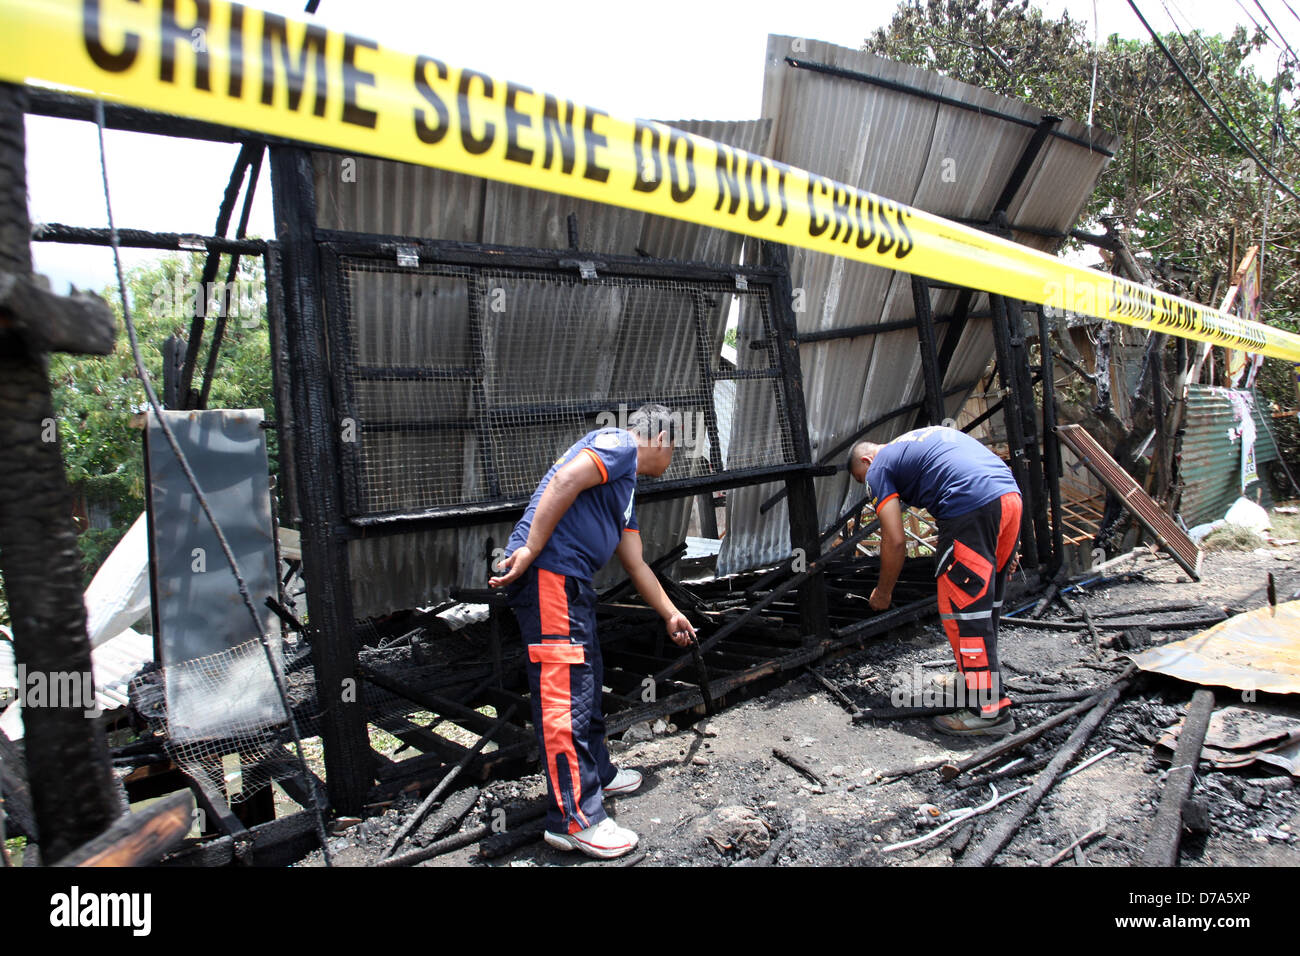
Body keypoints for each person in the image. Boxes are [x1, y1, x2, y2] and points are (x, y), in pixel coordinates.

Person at [489, 403, 696, 858]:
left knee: (586, 681)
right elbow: (565, 480)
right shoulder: (619, 443)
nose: (671, 460)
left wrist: (669, 613)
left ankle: (597, 775)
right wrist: (530, 548)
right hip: (549, 575)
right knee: (566, 692)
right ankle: (573, 819)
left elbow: (635, 562)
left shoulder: (623, 489)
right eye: (674, 450)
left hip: (571, 583)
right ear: (660, 439)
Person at [848, 425, 1022, 736]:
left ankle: (990, 710)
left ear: (865, 463)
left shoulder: (879, 467)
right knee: (985, 607)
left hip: (970, 506)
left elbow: (895, 539)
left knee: (962, 610)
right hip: (1008, 496)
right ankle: (969, 677)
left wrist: (883, 591)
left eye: (862, 482)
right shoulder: (916, 440)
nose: (869, 488)